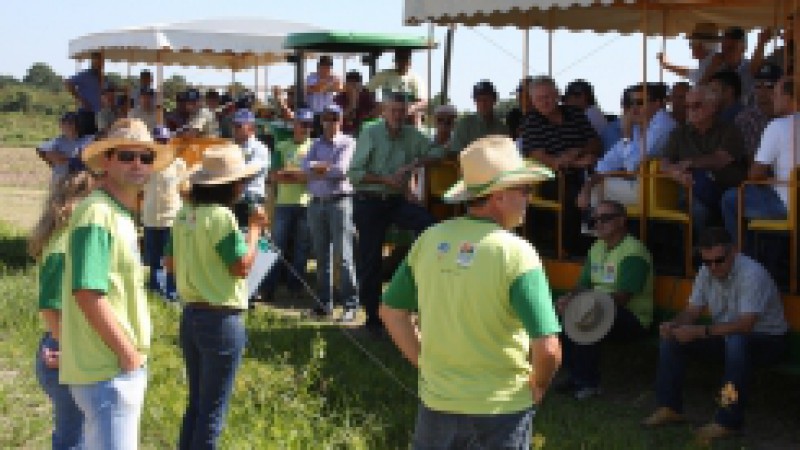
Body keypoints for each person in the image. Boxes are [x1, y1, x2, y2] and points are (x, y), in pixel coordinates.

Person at [380, 136, 562, 449]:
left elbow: (391, 313)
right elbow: (547, 348)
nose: (529, 198)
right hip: (500, 410)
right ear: (499, 196)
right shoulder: (518, 252)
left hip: (436, 404)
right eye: (525, 190)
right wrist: (539, 385)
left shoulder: (429, 239)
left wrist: (426, 364)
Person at [60, 118, 174, 449]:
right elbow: (87, 293)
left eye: (146, 157)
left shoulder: (116, 212)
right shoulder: (98, 214)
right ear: (107, 160)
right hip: (108, 370)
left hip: (109, 368)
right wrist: (128, 356)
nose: (138, 164)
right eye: (127, 156)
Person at [164, 144, 267, 450]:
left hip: (191, 314)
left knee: (197, 404)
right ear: (233, 185)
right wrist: (255, 231)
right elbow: (241, 266)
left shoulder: (185, 214)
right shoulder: (221, 217)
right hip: (221, 319)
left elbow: (169, 264)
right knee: (213, 412)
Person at [642, 228, 787, 443]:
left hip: (768, 341)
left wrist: (701, 331)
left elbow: (746, 325)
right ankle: (669, 407)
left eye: (719, 261)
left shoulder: (752, 274)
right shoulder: (705, 272)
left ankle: (728, 421)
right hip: (727, 336)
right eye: (707, 261)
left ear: (734, 252)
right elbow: (692, 311)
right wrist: (674, 325)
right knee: (673, 339)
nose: (713, 267)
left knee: (737, 343)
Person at [348, 92, 444, 337]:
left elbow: (439, 152)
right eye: (393, 111)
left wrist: (414, 165)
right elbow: (355, 173)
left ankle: (413, 270)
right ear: (384, 111)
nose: (398, 116)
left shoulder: (412, 134)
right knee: (370, 260)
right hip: (369, 201)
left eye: (402, 111)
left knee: (429, 225)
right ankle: (373, 319)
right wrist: (385, 179)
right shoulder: (370, 132)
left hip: (394, 201)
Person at [555, 200, 653, 399]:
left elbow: (623, 298)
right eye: (595, 219)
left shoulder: (634, 252)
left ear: (622, 221)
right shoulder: (597, 247)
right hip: (599, 305)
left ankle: (588, 383)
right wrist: (568, 299)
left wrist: (585, 303)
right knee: (562, 309)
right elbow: (582, 285)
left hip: (633, 319)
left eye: (605, 218)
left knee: (588, 315)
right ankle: (574, 376)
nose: (598, 224)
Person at [28, 171, 95, 450]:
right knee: (73, 440)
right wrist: (70, 350)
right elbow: (50, 307)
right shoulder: (65, 243)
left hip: (67, 346)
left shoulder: (67, 237)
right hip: (63, 350)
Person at [520, 75, 601, 256]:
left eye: (548, 96)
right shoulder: (531, 121)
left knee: (605, 195)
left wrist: (577, 152)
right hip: (550, 177)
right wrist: (573, 161)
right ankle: (570, 249)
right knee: (572, 195)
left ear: (557, 94)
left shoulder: (575, 114)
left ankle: (599, 246)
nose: (545, 102)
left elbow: (595, 143)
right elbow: (540, 156)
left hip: (586, 171)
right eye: (539, 98)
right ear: (533, 101)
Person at [660, 85, 747, 235]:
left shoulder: (729, 130)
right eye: (687, 106)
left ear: (713, 107)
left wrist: (689, 163)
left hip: (726, 189)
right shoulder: (678, 134)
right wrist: (676, 173)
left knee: (730, 201)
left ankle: (731, 252)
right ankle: (702, 252)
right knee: (695, 208)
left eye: (697, 105)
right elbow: (665, 163)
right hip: (693, 191)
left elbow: (721, 159)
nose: (691, 111)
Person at [721, 76, 798, 245]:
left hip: (788, 206)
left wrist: (772, 181)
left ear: (790, 98)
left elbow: (754, 175)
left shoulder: (777, 126)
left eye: (776, 94)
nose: (772, 98)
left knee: (730, 199)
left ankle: (741, 259)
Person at [577, 82, 677, 208]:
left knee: (595, 192)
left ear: (656, 104)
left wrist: (626, 135)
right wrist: (587, 186)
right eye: (631, 103)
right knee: (591, 188)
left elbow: (632, 165)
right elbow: (605, 164)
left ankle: (596, 226)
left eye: (640, 103)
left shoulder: (663, 125)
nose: (634, 109)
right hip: (643, 185)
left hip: (663, 189)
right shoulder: (638, 126)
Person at [302, 104, 359, 322]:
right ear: (322, 120)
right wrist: (322, 167)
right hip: (316, 203)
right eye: (326, 118)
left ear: (341, 120)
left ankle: (350, 305)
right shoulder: (316, 143)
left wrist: (317, 169)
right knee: (321, 256)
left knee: (343, 256)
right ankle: (323, 304)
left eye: (334, 118)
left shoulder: (348, 142)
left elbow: (341, 171)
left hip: (339, 203)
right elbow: (305, 167)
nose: (330, 122)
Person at [261, 109, 314, 302]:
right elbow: (274, 175)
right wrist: (300, 175)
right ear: (294, 125)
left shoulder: (315, 146)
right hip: (283, 203)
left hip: (307, 203)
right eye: (302, 124)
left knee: (302, 248)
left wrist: (290, 174)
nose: (305, 128)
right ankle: (268, 287)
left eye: (308, 124)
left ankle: (295, 288)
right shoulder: (282, 146)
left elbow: (313, 176)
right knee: (276, 246)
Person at [142, 127, 186, 302]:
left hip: (171, 217)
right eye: (158, 141)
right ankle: (155, 290)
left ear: (169, 142)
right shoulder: (146, 163)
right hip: (151, 216)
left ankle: (172, 293)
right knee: (153, 256)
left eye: (164, 141)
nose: (161, 144)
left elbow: (184, 188)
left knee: (171, 256)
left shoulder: (178, 163)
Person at [231, 109, 270, 229]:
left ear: (251, 128)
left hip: (251, 202)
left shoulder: (259, 148)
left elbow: (247, 172)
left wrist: (226, 173)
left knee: (250, 242)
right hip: (232, 201)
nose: (234, 129)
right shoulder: (230, 146)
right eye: (234, 125)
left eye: (239, 126)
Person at [734, 62, 781, 158]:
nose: (762, 92)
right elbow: (755, 161)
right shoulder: (746, 119)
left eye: (770, 86)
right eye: (758, 86)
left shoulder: (792, 113)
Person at [366, 49, 428, 121]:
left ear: (409, 62)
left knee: (417, 115)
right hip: (387, 113)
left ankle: (414, 131)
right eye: (400, 59)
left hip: (406, 115)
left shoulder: (415, 79)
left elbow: (423, 101)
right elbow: (366, 91)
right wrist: (377, 105)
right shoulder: (384, 75)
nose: (402, 62)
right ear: (395, 60)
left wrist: (411, 108)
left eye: (405, 59)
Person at [448, 80, 508, 154]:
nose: (483, 104)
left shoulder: (502, 128)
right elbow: (456, 153)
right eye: (479, 100)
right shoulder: (464, 125)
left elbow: (506, 156)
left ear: (494, 100)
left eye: (486, 99)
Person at [37, 112, 93, 186]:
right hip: (61, 176)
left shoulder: (88, 139)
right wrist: (71, 158)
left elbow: (84, 155)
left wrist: (63, 158)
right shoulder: (58, 141)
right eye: (64, 123)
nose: (67, 126)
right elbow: (44, 151)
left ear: (77, 125)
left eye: (70, 123)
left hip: (80, 176)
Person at [66, 51, 103, 136]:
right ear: (92, 62)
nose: (98, 64)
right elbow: (68, 83)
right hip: (86, 112)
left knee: (96, 137)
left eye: (100, 62)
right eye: (95, 61)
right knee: (85, 138)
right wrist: (80, 100)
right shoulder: (85, 75)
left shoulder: (102, 77)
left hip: (98, 113)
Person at [307, 55, 343, 137]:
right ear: (318, 67)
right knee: (315, 139)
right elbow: (317, 88)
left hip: (328, 115)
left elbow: (339, 88)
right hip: (314, 114)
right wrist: (327, 83)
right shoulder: (311, 77)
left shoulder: (334, 77)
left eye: (328, 66)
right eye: (323, 66)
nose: (326, 69)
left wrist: (324, 86)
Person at [333, 70, 377, 136]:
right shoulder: (339, 98)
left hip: (363, 131)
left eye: (356, 85)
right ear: (346, 85)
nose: (353, 88)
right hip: (344, 133)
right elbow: (337, 118)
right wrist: (352, 103)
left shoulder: (366, 96)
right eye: (351, 85)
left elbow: (373, 114)